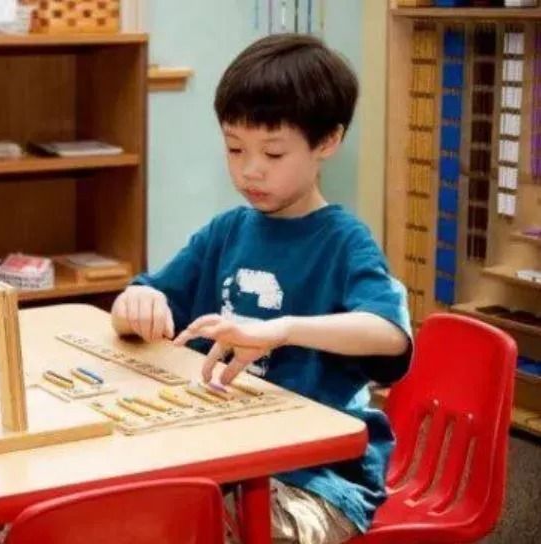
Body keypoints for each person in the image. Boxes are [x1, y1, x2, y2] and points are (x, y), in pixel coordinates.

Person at [111, 33, 412, 544]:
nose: (249, 169)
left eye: (272, 153)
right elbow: (135, 304)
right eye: (234, 148)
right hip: (220, 455)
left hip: (316, 479)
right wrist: (138, 301)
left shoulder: (345, 242)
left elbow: (390, 334)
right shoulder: (227, 230)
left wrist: (283, 330)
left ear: (327, 142)